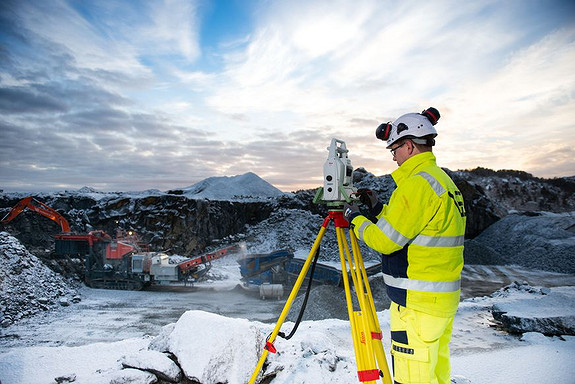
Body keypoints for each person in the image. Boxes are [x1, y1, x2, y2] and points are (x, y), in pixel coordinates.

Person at [343, 107, 466, 384]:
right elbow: (410, 228)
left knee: (413, 379)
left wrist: (355, 219)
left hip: (417, 307)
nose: (394, 157)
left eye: (394, 150)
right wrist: (376, 209)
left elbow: (385, 241)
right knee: (436, 375)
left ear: (408, 146)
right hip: (439, 302)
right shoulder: (440, 180)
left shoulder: (415, 185)